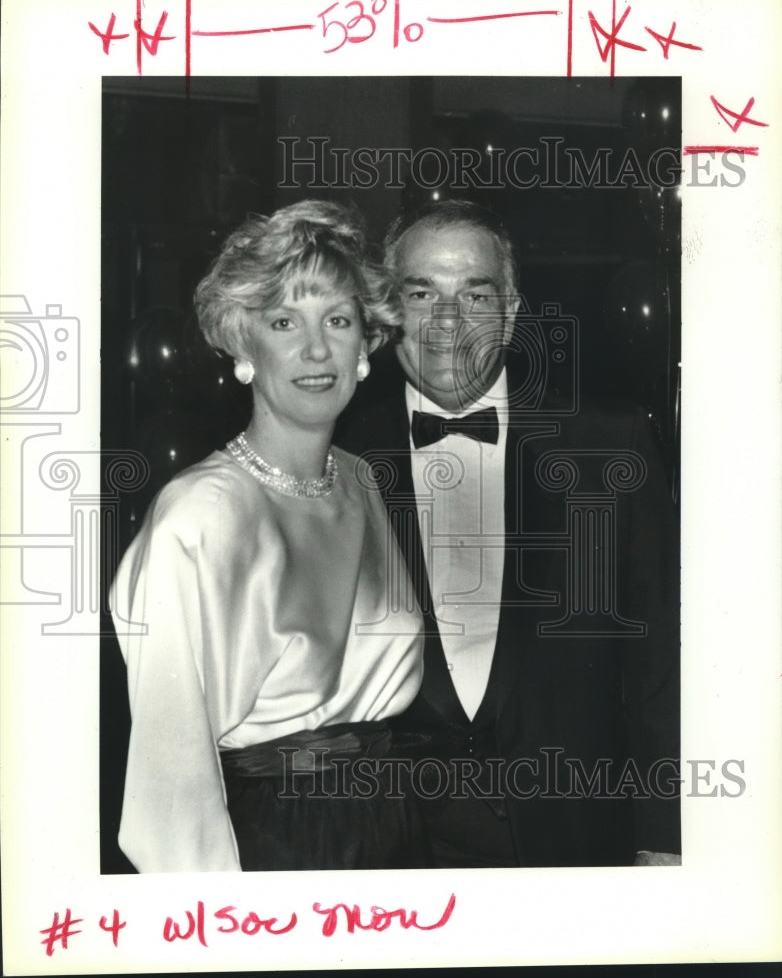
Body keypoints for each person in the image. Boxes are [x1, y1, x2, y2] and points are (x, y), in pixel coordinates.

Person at [337, 199, 681, 868]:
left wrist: (664, 839)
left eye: (474, 292)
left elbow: (660, 667)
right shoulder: (336, 460)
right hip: (391, 854)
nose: (446, 320)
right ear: (387, 312)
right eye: (420, 292)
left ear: (513, 309)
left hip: (577, 841)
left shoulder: (610, 449)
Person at [110, 200, 427, 873]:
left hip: (392, 832)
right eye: (285, 322)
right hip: (271, 851)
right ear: (243, 344)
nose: (317, 350)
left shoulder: (363, 481)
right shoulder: (198, 516)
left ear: (366, 345)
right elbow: (170, 794)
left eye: (338, 320)